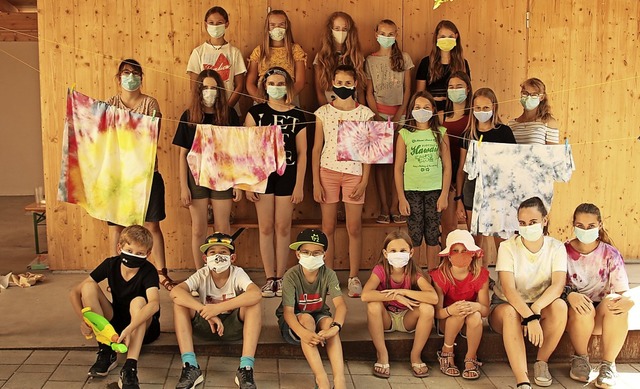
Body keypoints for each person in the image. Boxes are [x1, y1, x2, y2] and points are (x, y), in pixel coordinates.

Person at [106, 59, 175, 291]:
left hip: (146, 174)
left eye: (135, 73)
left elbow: (151, 136)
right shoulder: (111, 104)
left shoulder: (150, 103)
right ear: (118, 78)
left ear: (141, 77)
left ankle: (161, 272)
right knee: (116, 227)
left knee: (153, 225)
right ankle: (115, 271)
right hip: (118, 176)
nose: (130, 77)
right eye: (126, 73)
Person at [489, 197, 568, 389]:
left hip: (539, 306)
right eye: (522, 223)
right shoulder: (507, 247)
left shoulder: (556, 247)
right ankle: (522, 380)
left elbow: (558, 285)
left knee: (560, 306)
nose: (527, 227)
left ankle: (541, 362)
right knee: (510, 313)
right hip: (506, 306)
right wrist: (529, 317)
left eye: (533, 222)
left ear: (544, 221)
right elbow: (508, 289)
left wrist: (536, 309)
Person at [69, 225, 160, 389]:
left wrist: (130, 329)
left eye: (140, 253)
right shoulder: (111, 264)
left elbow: (154, 304)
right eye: (129, 250)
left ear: (148, 254)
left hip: (141, 326)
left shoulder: (149, 271)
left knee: (138, 301)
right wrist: (85, 320)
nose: (134, 256)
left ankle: (130, 368)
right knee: (88, 287)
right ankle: (106, 350)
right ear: (120, 248)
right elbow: (74, 292)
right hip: (115, 325)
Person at [244, 67, 307, 298]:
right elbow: (246, 152)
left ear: (288, 86)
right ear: (265, 86)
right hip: (262, 177)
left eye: (281, 83)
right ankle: (269, 277)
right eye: (272, 83)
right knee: (266, 227)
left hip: (287, 176)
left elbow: (302, 153)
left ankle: (281, 277)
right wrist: (249, 183)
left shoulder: (297, 115)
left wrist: (299, 184)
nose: (276, 87)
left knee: (283, 227)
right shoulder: (255, 113)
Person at [312, 64, 375, 297]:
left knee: (354, 227)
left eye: (348, 83)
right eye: (338, 82)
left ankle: (354, 276)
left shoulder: (365, 114)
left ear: (355, 84)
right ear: (332, 83)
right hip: (327, 172)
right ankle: (328, 277)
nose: (343, 86)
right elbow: (317, 148)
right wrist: (315, 182)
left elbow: (369, 150)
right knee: (327, 227)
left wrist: (365, 180)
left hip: (354, 175)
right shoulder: (323, 113)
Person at [169, 232, 262, 389]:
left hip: (232, 327)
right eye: (212, 252)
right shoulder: (202, 274)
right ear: (205, 259)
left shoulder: (237, 273)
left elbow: (256, 293)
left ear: (232, 258)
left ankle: (246, 368)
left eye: (223, 252)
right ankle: (190, 366)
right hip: (207, 324)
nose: (218, 256)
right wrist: (205, 310)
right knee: (180, 303)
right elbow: (175, 292)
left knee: (253, 304)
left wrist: (218, 308)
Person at [172, 69, 242, 269]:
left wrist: (238, 184)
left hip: (223, 178)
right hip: (196, 178)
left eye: (213, 88)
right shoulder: (189, 115)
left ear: (220, 90)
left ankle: (223, 270)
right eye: (205, 88)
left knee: (222, 228)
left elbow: (237, 153)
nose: (209, 92)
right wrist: (183, 187)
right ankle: (201, 273)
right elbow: (182, 155)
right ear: (198, 91)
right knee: (198, 229)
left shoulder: (229, 115)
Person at [565, 203, 634, 388]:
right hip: (575, 315)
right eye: (580, 226)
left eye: (590, 226)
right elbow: (552, 285)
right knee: (583, 307)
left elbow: (622, 291)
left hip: (601, 316)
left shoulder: (610, 253)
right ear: (573, 225)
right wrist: (570, 294)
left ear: (600, 225)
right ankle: (580, 358)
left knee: (615, 302)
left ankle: (608, 365)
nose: (585, 230)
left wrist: (628, 300)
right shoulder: (562, 251)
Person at [276, 229, 348, 389]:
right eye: (306, 252)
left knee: (329, 322)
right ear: (298, 254)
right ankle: (321, 379)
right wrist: (304, 333)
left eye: (316, 253)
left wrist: (335, 328)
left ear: (324, 255)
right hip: (294, 325)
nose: (311, 257)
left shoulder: (329, 274)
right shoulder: (291, 275)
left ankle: (340, 380)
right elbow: (288, 312)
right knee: (307, 319)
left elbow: (341, 305)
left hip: (319, 316)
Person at [361, 230, 437, 379]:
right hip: (386, 319)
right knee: (373, 305)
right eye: (393, 250)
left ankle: (416, 356)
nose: (398, 254)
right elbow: (365, 294)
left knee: (427, 309)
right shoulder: (381, 270)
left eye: (403, 250)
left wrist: (402, 292)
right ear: (385, 253)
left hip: (407, 318)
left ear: (411, 252)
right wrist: (395, 297)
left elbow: (433, 298)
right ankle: (382, 355)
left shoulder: (414, 272)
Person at [455, 88, 516, 255]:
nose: (482, 112)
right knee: (475, 241)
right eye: (478, 108)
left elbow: (513, 165)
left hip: (499, 193)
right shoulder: (467, 134)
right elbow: (461, 169)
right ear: (472, 109)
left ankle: (504, 280)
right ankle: (480, 279)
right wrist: (459, 199)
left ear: (494, 107)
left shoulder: (504, 132)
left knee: (502, 241)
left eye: (486, 108)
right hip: (472, 192)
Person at [395, 91, 452, 270]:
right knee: (415, 234)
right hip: (412, 191)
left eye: (426, 107)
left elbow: (447, 166)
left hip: (434, 190)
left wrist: (444, 195)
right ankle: (415, 274)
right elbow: (398, 168)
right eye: (417, 107)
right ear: (411, 110)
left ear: (433, 110)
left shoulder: (441, 133)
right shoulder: (404, 134)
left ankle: (433, 274)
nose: (422, 110)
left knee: (433, 234)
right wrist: (401, 198)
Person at [365, 19, 414, 224]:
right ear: (376, 33)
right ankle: (384, 207)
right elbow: (368, 92)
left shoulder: (404, 58)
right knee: (381, 165)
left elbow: (408, 90)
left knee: (398, 164)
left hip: (399, 116)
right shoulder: (370, 60)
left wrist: (398, 116)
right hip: (377, 116)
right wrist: (377, 117)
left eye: (390, 33)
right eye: (383, 33)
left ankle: (396, 206)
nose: (386, 37)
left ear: (396, 34)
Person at [431, 229, 489, 380]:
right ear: (448, 255)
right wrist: (451, 310)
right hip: (448, 320)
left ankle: (471, 357)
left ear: (472, 253)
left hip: (470, 320)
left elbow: (485, 310)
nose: (460, 254)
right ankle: (447, 352)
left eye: (465, 250)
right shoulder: (441, 275)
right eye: (455, 251)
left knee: (476, 315)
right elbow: (437, 313)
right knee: (457, 315)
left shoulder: (480, 274)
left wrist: (476, 307)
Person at [186, 6, 246, 111]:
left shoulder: (234, 52)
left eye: (219, 23)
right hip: (204, 110)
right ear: (206, 25)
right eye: (211, 23)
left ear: (226, 24)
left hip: (229, 109)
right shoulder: (198, 52)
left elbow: (239, 86)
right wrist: (205, 108)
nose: (215, 26)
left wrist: (227, 108)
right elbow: (194, 86)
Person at [439, 71, 472, 247]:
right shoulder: (441, 116)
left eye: (459, 87)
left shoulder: (474, 117)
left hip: (468, 175)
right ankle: (446, 265)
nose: (455, 90)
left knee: (471, 226)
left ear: (467, 89)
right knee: (448, 225)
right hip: (447, 175)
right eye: (451, 87)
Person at [246, 9, 307, 102]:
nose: (277, 28)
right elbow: (250, 82)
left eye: (281, 24)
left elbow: (300, 82)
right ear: (267, 27)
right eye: (273, 25)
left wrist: (288, 97)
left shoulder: (295, 50)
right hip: (263, 98)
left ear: (287, 27)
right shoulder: (259, 51)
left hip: (289, 97)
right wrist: (260, 99)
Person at [416, 20, 471, 113]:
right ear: (436, 38)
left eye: (450, 37)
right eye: (442, 37)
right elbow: (419, 94)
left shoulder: (463, 63)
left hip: (455, 110)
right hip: (432, 111)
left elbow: (467, 90)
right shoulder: (426, 62)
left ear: (456, 37)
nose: (446, 40)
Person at [313, 11, 366, 105]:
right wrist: (327, 112)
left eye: (344, 29)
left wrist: (363, 111)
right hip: (330, 107)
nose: (341, 32)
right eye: (337, 29)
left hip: (353, 108)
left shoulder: (356, 56)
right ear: (331, 30)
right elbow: (319, 91)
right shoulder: (322, 56)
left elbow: (360, 90)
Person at [509, 78, 560, 145]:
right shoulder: (511, 124)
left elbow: (553, 153)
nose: (528, 97)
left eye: (534, 94)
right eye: (525, 93)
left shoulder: (549, 122)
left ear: (542, 97)